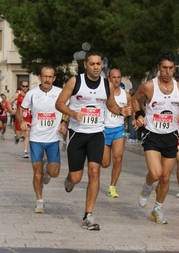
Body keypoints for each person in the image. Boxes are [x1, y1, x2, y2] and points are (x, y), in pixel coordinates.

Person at [55, 50, 131, 231]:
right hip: (77, 133)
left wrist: (121, 111)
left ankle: (88, 215)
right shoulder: (75, 82)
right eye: (92, 64)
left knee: (95, 170)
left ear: (102, 65)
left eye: (99, 64)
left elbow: (110, 104)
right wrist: (73, 114)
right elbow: (59, 103)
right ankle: (70, 179)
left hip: (97, 133)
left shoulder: (107, 85)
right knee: (76, 176)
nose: (96, 67)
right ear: (85, 65)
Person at [133, 52, 179, 224]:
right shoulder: (148, 86)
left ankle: (157, 208)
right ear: (158, 67)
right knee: (156, 173)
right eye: (164, 68)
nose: (168, 71)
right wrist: (138, 115)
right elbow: (134, 100)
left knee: (165, 177)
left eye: (171, 68)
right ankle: (146, 187)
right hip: (152, 134)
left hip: (171, 135)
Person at [17, 65, 65, 213]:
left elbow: (68, 109)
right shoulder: (31, 94)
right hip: (36, 137)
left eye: (50, 77)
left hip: (53, 138)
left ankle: (47, 168)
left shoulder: (60, 93)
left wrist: (64, 122)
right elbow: (21, 110)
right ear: (39, 77)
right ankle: (39, 201)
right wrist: (22, 121)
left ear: (54, 78)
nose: (47, 79)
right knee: (36, 173)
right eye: (45, 76)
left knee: (54, 173)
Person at [101, 69, 131, 198]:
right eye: (114, 77)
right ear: (109, 78)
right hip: (103, 129)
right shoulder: (103, 94)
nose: (116, 80)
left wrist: (133, 117)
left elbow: (131, 110)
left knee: (118, 159)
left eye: (119, 77)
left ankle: (112, 187)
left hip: (118, 129)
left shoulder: (127, 95)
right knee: (105, 163)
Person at [9, 81, 31, 158]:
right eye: (23, 86)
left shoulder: (30, 94)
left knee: (27, 134)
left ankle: (25, 151)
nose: (25, 88)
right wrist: (12, 110)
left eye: (26, 86)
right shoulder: (17, 94)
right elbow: (9, 102)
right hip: (19, 117)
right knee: (19, 134)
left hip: (28, 116)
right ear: (21, 86)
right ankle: (17, 137)